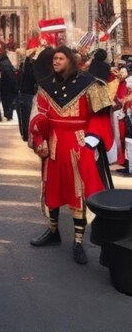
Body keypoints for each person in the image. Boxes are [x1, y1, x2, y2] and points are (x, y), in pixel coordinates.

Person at [28, 45, 115, 265]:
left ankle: (78, 241)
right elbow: (38, 114)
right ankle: (53, 231)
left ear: (70, 60)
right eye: (54, 58)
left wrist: (91, 141)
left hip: (78, 144)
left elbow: (100, 116)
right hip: (54, 143)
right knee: (53, 188)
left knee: (77, 192)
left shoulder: (89, 84)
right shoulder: (46, 86)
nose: (55, 62)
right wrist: (40, 138)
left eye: (60, 58)